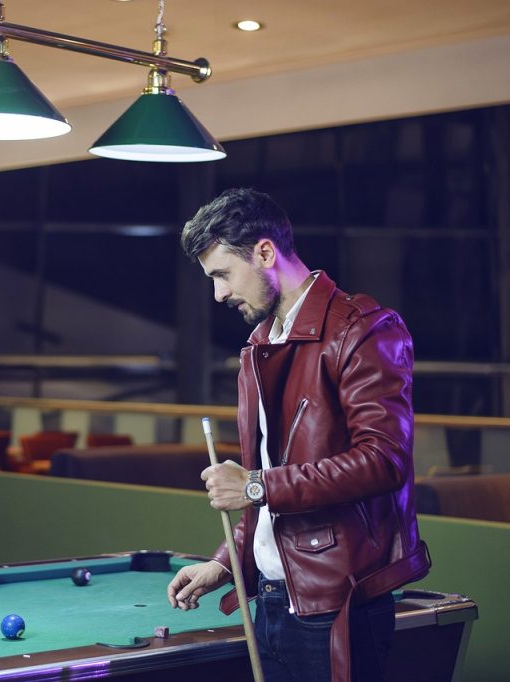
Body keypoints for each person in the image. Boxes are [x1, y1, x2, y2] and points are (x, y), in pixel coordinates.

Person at [166, 188, 431, 682]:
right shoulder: (260, 345)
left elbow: (384, 459)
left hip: (336, 602)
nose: (219, 294)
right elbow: (270, 477)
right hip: (270, 600)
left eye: (223, 274)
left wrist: (255, 485)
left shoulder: (363, 329)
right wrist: (225, 563)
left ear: (265, 253)